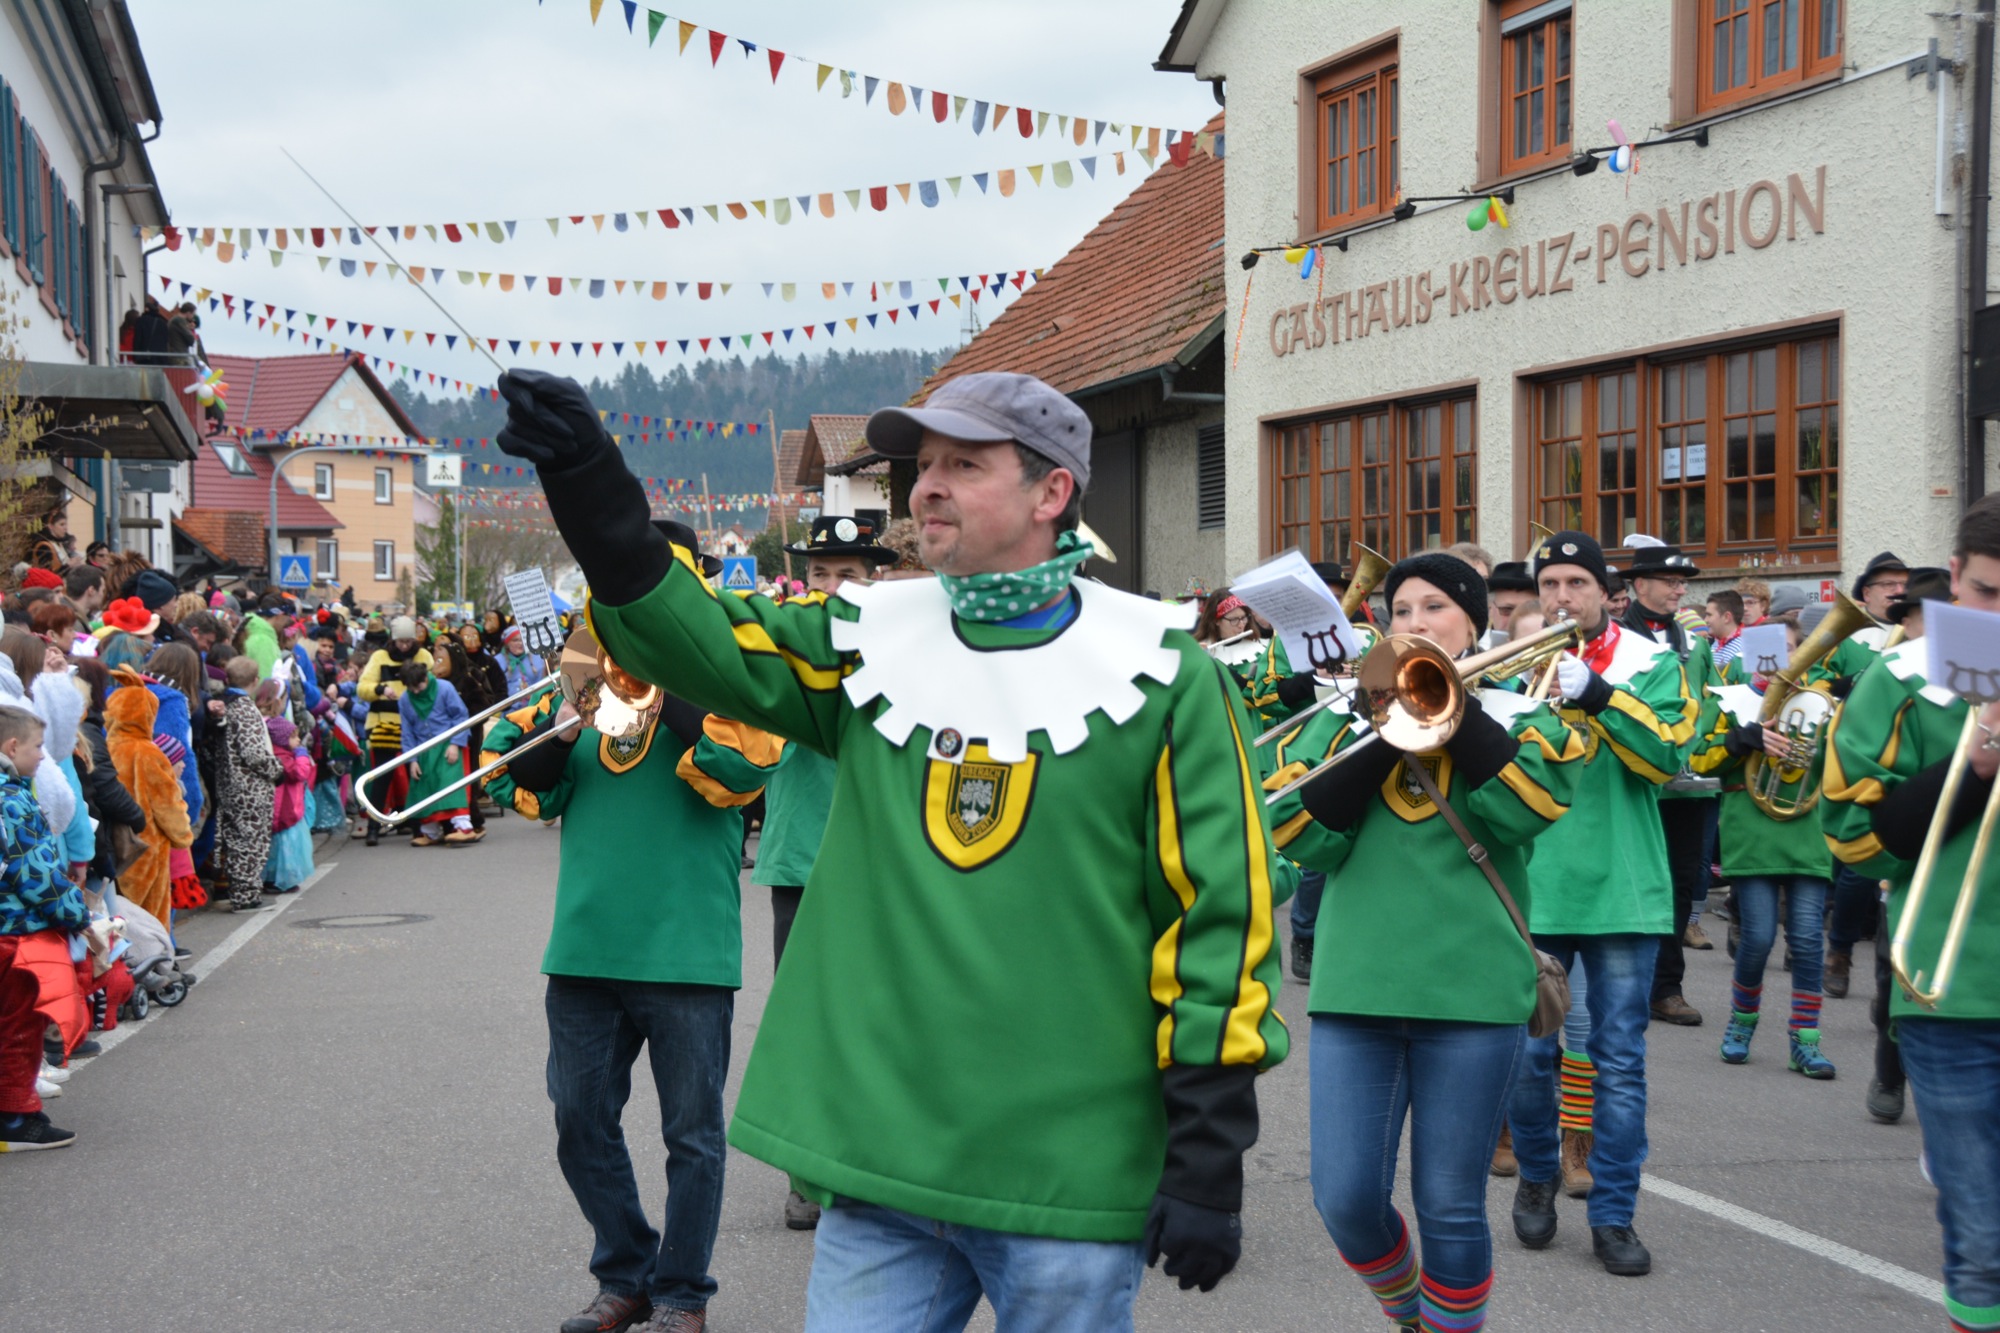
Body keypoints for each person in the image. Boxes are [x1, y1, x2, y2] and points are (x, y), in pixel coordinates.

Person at [496, 367, 1288, 1330]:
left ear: (1052, 492)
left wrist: (1208, 1145)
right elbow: (701, 638)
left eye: (964, 463)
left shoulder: (1167, 674)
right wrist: (591, 480)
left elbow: (1219, 915)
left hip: (1069, 1174)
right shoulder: (867, 640)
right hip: (882, 1164)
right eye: (923, 466)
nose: (926, 488)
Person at [1267, 553, 1582, 1332]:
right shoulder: (1338, 723)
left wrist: (1451, 710)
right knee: (1343, 1198)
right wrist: (1387, 724)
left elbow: (1530, 809)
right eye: (1401, 609)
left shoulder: (1522, 715)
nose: (1414, 622)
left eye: (1435, 607)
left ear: (1474, 623)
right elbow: (1300, 835)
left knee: (1449, 1204)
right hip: (1357, 988)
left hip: (1473, 992)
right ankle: (1415, 1316)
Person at [483, 636, 782, 1333]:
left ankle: (682, 1293)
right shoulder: (577, 692)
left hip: (688, 953)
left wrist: (664, 682)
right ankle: (627, 1273)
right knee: (578, 1120)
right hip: (586, 951)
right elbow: (515, 779)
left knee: (692, 1135)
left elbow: (741, 773)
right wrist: (571, 715)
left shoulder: (728, 698)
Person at [1823, 495, 2000, 1333]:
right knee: (1983, 1241)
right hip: (1954, 987)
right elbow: (1858, 837)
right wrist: (1980, 757)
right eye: (1989, 594)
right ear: (1956, 579)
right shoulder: (1903, 678)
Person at [1506, 530, 1694, 1278]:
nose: (1560, 598)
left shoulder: (1653, 663)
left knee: (1618, 1062)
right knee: (1527, 1055)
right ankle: (1536, 1171)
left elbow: (1670, 757)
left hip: (1622, 889)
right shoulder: (1514, 659)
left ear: (1605, 593)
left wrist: (1603, 695)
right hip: (1533, 882)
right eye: (1549, 585)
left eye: (1575, 584)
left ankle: (1615, 1212)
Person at [756, 514, 897, 1230]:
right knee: (806, 1020)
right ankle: (807, 1173)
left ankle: (876, 1159)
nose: (831, 585)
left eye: (847, 573)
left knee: (879, 1015)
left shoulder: (900, 645)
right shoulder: (786, 639)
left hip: (877, 858)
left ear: (874, 579)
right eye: (820, 573)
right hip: (798, 856)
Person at [1689, 611, 1838, 1078]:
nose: (1781, 659)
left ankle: (1805, 1039)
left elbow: (1842, 763)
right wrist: (1739, 740)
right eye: (1770, 649)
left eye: (1791, 649)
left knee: (1810, 940)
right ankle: (1741, 1022)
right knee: (1756, 938)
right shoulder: (1729, 699)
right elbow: (1697, 758)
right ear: (1752, 653)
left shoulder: (1819, 702)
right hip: (1751, 831)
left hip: (1805, 829)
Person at [1620, 543, 1714, 1024]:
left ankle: (1666, 988)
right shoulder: (1616, 637)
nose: (1680, 589)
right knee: (1633, 877)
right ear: (1640, 586)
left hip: (1685, 784)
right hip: (1634, 780)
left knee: (1678, 884)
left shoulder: (1695, 643)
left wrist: (1718, 746)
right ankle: (1625, 984)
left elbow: (1709, 701)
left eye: (1683, 583)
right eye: (1670, 582)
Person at [0, 703, 83, 1151]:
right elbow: (37, 873)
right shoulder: (12, 799)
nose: (41, 757)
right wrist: (79, 916)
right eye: (37, 748)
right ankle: (16, 1119)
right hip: (15, 933)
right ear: (12, 747)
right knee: (19, 1026)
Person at [104, 668, 193, 927]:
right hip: (148, 842)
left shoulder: (105, 747)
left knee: (122, 910)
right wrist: (182, 834)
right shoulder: (147, 752)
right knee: (151, 912)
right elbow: (166, 801)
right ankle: (154, 962)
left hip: (116, 840)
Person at [356, 617, 432, 845]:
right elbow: (362, 688)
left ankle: (419, 826)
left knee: (417, 775)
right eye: (401, 642)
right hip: (384, 724)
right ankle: (373, 827)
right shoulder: (379, 658)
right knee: (381, 777)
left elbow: (432, 686)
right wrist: (381, 688)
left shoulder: (424, 657)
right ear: (393, 639)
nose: (405, 646)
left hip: (415, 725)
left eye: (409, 641)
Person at [216, 656, 282, 910]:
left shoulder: (225, 705)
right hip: (250, 787)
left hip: (229, 783)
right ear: (255, 681)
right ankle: (246, 894)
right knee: (251, 841)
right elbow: (254, 752)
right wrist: (276, 770)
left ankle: (240, 890)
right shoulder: (245, 708)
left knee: (237, 839)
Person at [396, 658, 477, 846]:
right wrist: (412, 759)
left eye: (419, 685)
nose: (416, 691)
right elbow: (407, 731)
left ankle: (464, 827)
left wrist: (455, 743)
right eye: (411, 687)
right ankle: (430, 831)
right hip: (424, 749)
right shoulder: (405, 699)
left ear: (426, 677)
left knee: (451, 785)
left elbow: (461, 715)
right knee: (425, 787)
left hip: (448, 744)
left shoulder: (444, 688)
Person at [1483, 562, 1537, 648]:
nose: (1516, 621)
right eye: (1507, 610)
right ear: (1490, 610)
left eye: (1527, 610)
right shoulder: (1473, 652)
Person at [1705, 591, 1746, 669]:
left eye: (1709, 615)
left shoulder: (1741, 649)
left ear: (1727, 617)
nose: (1705, 620)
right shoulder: (1716, 644)